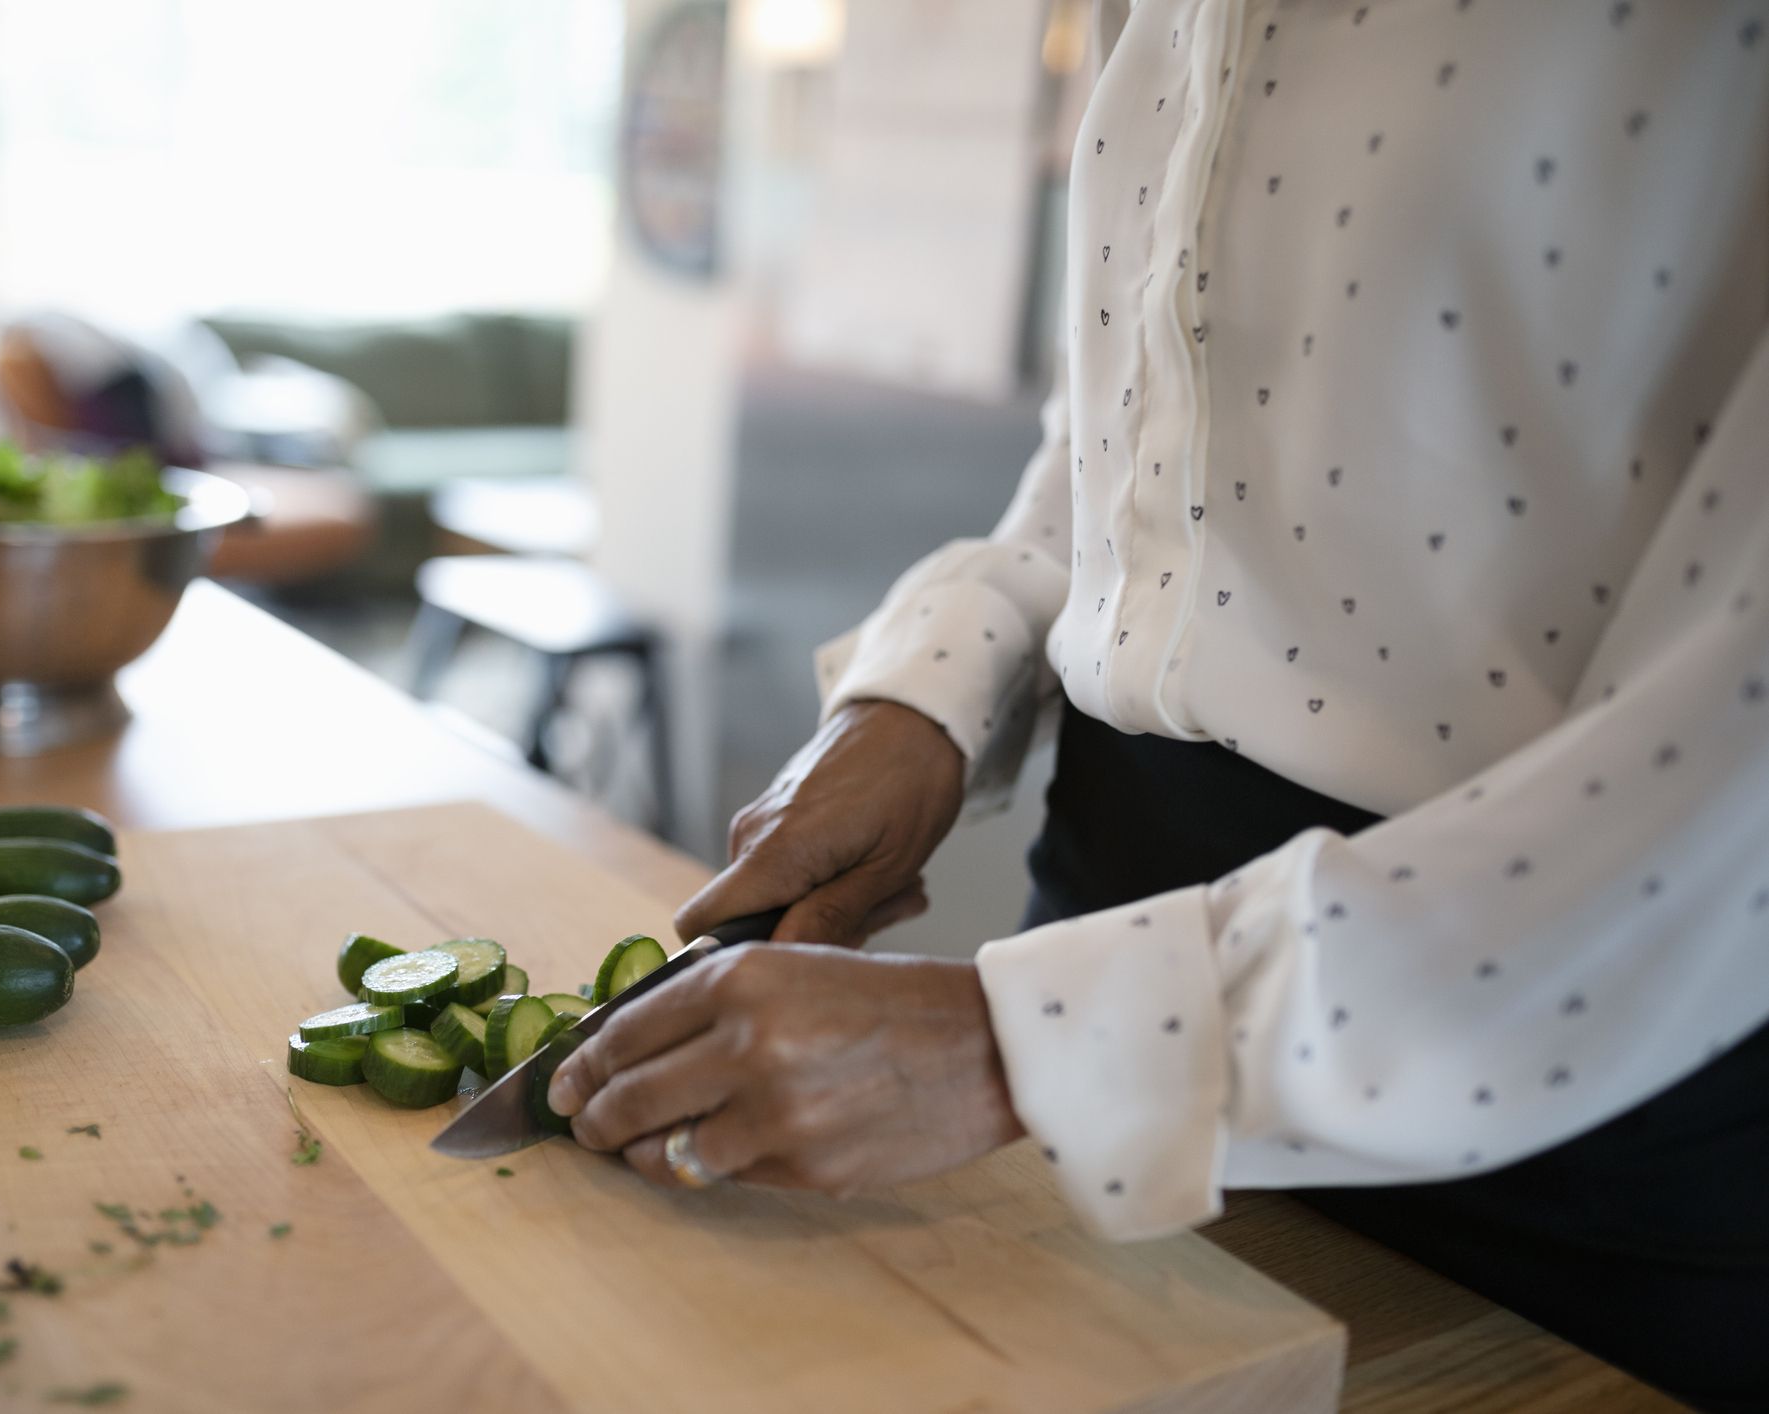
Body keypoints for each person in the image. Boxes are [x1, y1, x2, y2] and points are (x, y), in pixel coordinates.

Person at [545, 2, 1768, 1406]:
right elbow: (1127, 434)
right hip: (1102, 954)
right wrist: (923, 695)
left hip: (1563, 1090)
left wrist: (1022, 1051)